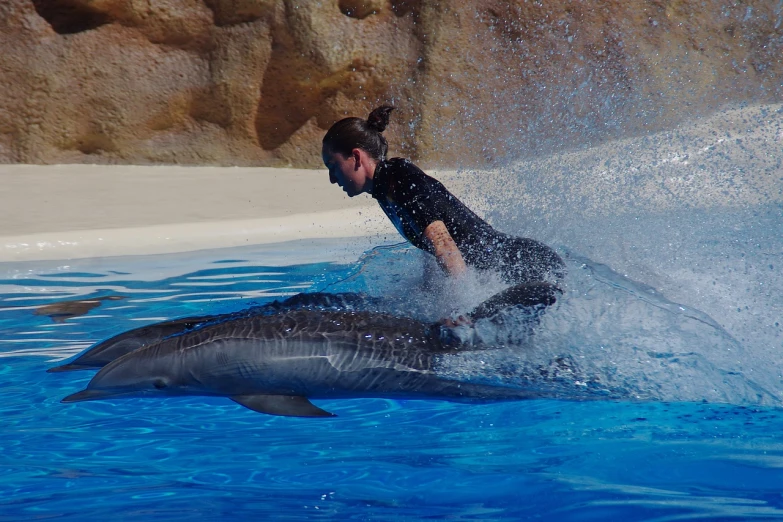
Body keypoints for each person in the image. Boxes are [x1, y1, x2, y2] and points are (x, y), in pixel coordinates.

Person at [321, 105, 565, 292]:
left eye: (333, 166)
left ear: (356, 157)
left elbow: (443, 244)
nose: (333, 179)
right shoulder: (384, 189)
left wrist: (459, 310)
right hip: (511, 272)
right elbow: (431, 249)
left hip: (527, 269)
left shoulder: (399, 178)